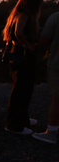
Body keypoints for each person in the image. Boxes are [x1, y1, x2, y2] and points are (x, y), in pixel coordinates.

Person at [3, 0, 43, 135]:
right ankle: (14, 125)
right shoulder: (25, 15)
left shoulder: (16, 14)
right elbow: (19, 32)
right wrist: (28, 45)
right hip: (23, 54)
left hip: (15, 53)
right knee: (22, 90)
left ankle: (22, 118)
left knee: (21, 88)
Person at [33, 10, 59, 144]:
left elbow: (44, 40)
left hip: (56, 64)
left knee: (56, 99)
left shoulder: (55, 17)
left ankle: (52, 133)